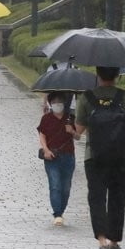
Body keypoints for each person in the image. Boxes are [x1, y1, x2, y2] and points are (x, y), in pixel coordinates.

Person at [74, 66, 125, 249]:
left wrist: (70, 129)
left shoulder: (86, 98)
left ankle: (102, 242)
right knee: (117, 198)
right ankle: (114, 242)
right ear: (117, 76)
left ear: (97, 74)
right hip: (119, 156)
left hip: (93, 156)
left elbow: (78, 131)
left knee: (96, 198)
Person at [37, 92, 78, 226]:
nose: (57, 104)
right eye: (54, 102)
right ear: (50, 103)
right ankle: (57, 214)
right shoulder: (46, 118)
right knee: (55, 185)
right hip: (52, 157)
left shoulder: (70, 118)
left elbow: (78, 136)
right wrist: (46, 150)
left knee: (65, 187)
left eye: (60, 101)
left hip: (68, 156)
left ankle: (61, 210)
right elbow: (42, 135)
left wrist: (71, 131)